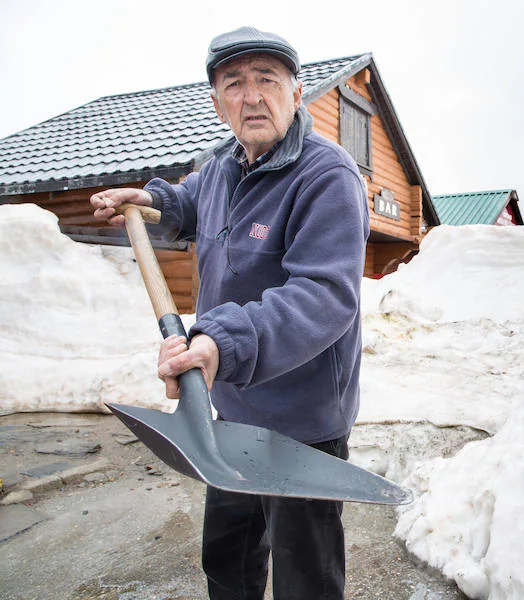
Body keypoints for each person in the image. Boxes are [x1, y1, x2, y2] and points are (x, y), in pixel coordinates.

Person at [90, 26, 369, 599]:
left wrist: (221, 342)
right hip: (233, 409)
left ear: (296, 94)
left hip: (303, 423)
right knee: (228, 561)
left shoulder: (326, 176)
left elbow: (324, 294)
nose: (252, 95)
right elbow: (195, 200)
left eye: (268, 79)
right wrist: (156, 201)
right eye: (234, 84)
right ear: (218, 104)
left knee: (305, 578)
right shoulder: (222, 166)